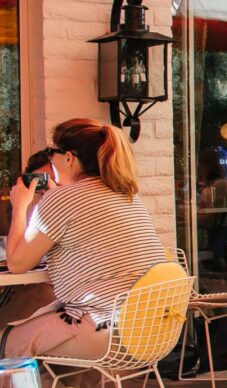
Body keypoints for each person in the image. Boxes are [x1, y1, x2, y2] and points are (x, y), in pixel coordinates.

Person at [1, 119, 166, 361]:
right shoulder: (128, 196)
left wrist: (20, 206)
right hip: (147, 328)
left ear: (68, 158)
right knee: (49, 343)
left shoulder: (62, 199)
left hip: (101, 328)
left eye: (51, 152)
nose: (51, 158)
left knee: (6, 343)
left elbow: (17, 264)